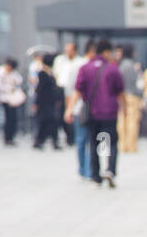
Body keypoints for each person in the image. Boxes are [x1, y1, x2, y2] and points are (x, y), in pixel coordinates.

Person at [74, 38, 124, 187]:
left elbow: (78, 90)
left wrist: (70, 109)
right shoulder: (112, 69)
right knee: (111, 142)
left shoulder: (85, 68)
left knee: (93, 143)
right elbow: (120, 91)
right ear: (107, 52)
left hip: (91, 112)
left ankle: (95, 175)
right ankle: (109, 169)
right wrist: (125, 109)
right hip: (109, 112)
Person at [63, 41, 99, 179]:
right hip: (85, 108)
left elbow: (68, 90)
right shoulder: (80, 66)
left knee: (82, 140)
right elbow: (73, 90)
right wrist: (70, 109)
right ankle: (89, 169)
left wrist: (69, 109)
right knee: (89, 139)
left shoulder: (76, 66)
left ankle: (85, 169)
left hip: (80, 109)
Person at [52, 41, 81, 145]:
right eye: (66, 51)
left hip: (75, 93)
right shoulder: (61, 61)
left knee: (74, 115)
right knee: (60, 116)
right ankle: (68, 137)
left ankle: (73, 137)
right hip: (61, 91)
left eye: (69, 50)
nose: (67, 53)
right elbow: (57, 75)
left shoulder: (79, 62)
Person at [0, 57, 25, 145]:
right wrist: (7, 88)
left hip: (13, 98)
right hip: (5, 98)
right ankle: (7, 137)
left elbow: (19, 80)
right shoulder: (0, 72)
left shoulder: (14, 73)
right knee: (8, 118)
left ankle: (11, 136)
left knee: (14, 118)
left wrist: (14, 84)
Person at [32, 53, 62, 150]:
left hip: (51, 102)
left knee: (50, 122)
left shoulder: (50, 73)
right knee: (46, 122)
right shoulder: (42, 73)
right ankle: (42, 141)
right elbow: (39, 90)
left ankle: (44, 141)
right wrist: (36, 103)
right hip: (44, 102)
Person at [117, 44, 142, 153]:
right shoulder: (132, 66)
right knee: (132, 121)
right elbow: (136, 82)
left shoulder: (121, 66)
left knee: (122, 121)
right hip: (132, 96)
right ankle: (131, 146)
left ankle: (122, 145)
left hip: (121, 96)